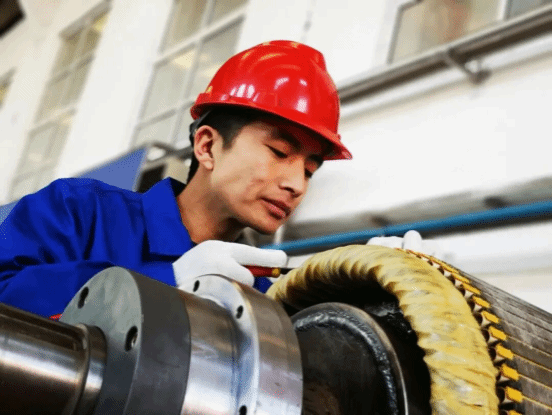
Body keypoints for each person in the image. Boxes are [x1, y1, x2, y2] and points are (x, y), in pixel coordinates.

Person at [0, 40, 353, 318]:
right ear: (207, 146)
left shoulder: (259, 295)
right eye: (279, 152)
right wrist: (161, 284)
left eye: (310, 170)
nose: (297, 185)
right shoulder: (79, 213)